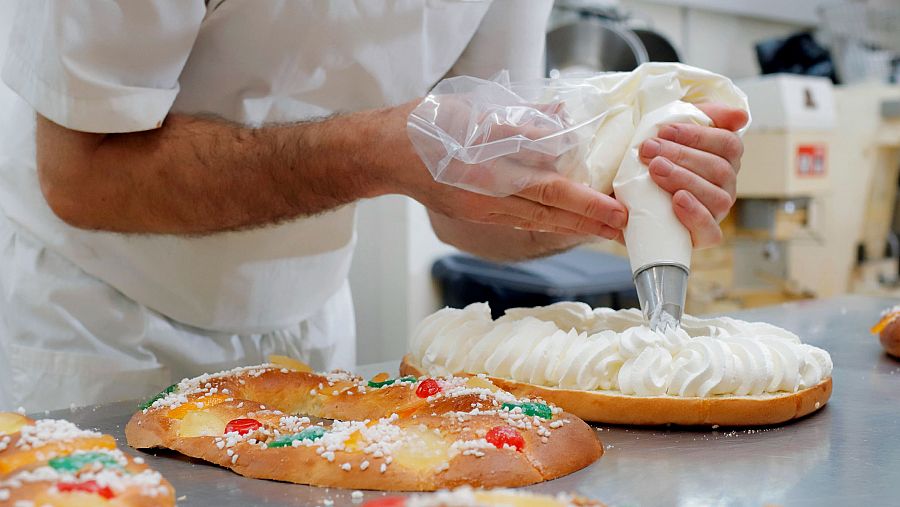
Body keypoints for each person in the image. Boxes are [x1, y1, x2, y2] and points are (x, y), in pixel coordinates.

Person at [0, 1, 748, 412]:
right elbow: (83, 176)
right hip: (99, 325)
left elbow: (467, 210)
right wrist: (377, 151)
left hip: (313, 338)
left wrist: (625, 190)